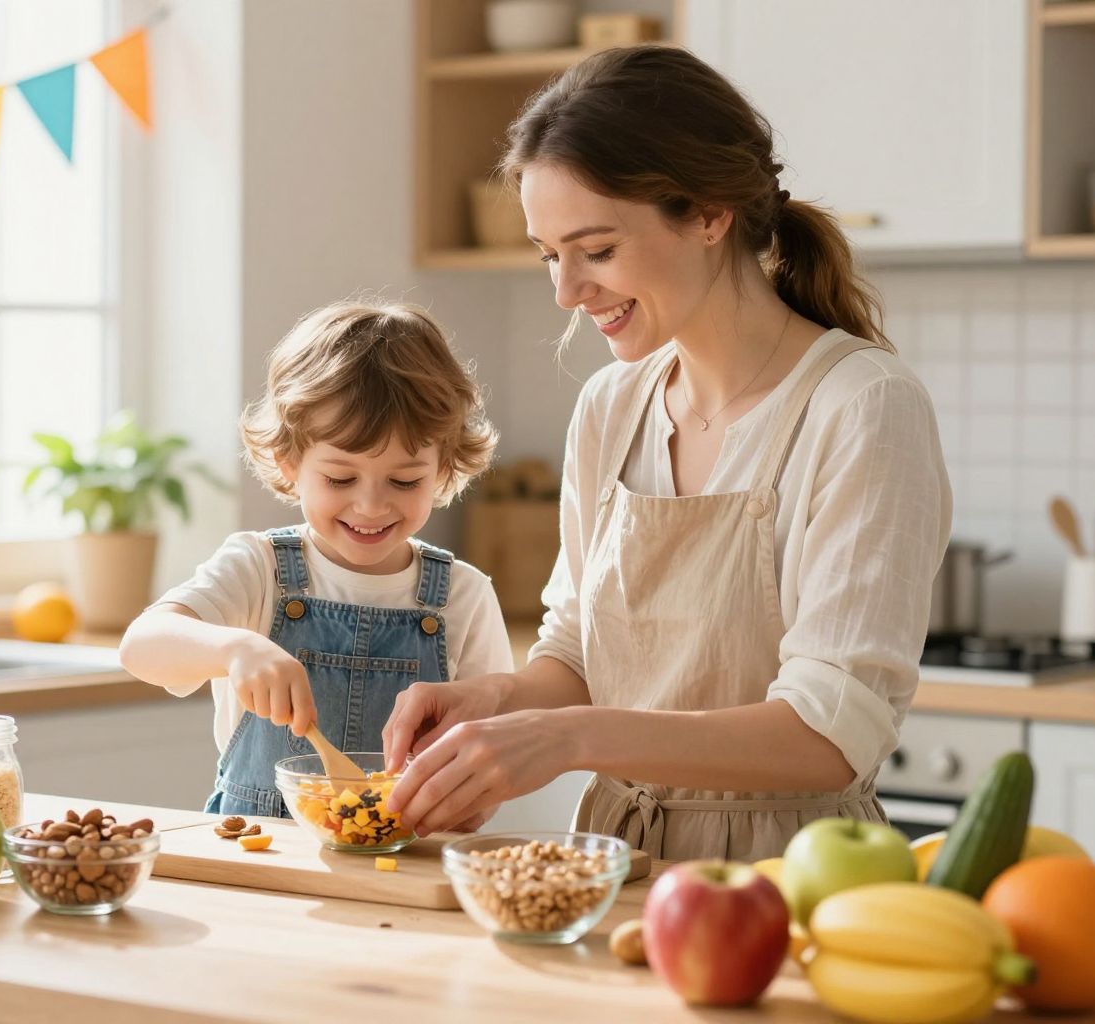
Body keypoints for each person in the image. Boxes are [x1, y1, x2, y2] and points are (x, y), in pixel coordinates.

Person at [381, 45, 952, 861]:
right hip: (614, 860)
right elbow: (580, 651)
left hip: (795, 875)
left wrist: (567, 736)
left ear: (710, 214)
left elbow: (828, 734)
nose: (566, 292)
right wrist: (497, 700)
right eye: (549, 254)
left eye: (597, 250)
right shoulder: (612, 407)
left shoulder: (861, 406)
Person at [118, 300, 512, 818]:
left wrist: (467, 801)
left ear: (441, 470)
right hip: (258, 859)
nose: (371, 506)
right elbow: (140, 647)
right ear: (290, 462)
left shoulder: (464, 595)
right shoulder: (258, 568)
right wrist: (234, 648)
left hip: (405, 860)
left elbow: (496, 741)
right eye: (340, 479)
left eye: (405, 480)